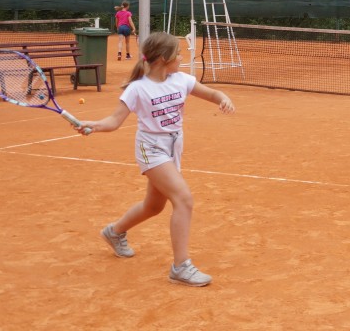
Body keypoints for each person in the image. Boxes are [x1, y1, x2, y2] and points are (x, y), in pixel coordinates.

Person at [71, 31, 236, 287]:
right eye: (178, 53)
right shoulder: (138, 89)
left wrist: (223, 98)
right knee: (183, 199)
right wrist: (94, 125)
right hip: (151, 148)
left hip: (172, 147)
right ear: (163, 58)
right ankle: (181, 267)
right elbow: (114, 121)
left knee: (153, 206)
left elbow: (212, 94)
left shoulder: (181, 80)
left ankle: (114, 232)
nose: (181, 57)